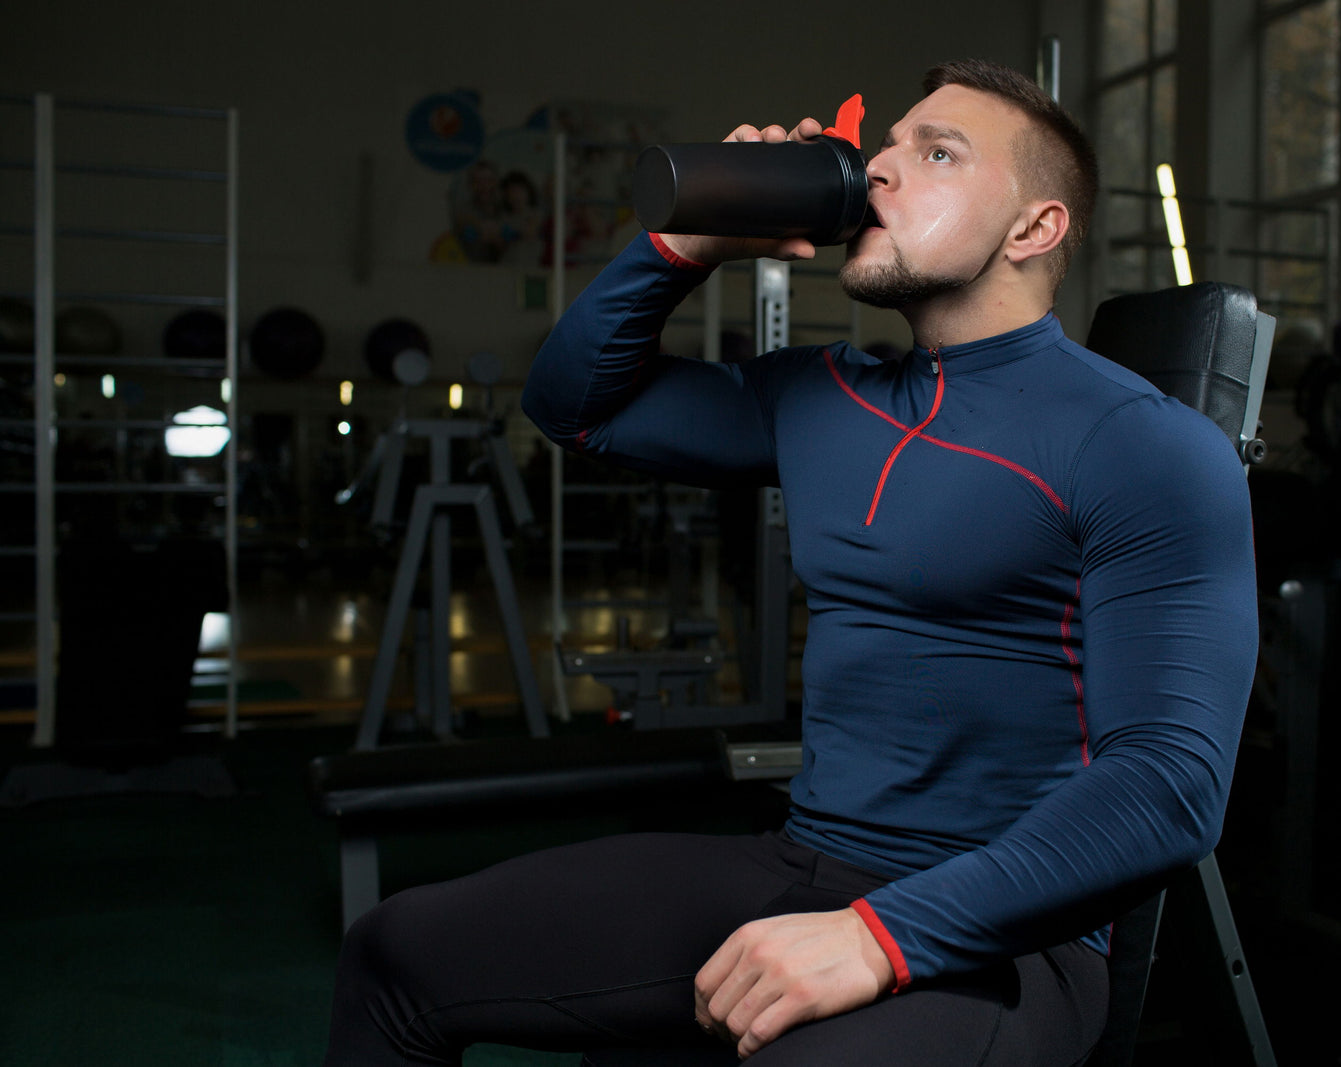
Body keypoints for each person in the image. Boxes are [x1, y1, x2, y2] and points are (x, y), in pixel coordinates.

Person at [323, 58, 1257, 1066]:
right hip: (799, 862)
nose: (882, 172)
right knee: (397, 955)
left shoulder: (1143, 443)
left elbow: (1170, 784)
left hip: (1009, 935)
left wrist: (880, 934)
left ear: (1034, 229)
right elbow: (572, 406)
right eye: (885, 149)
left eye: (935, 153)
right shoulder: (816, 395)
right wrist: (683, 245)